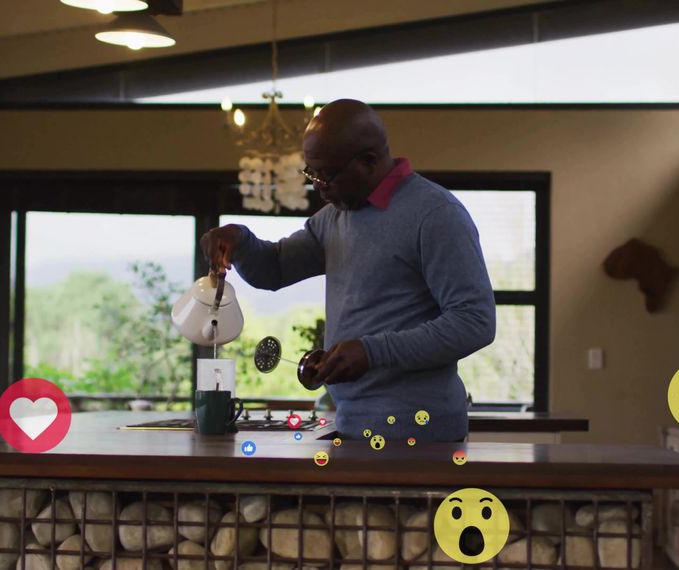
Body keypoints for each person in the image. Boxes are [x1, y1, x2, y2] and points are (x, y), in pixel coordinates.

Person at [200, 99, 495, 442]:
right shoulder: (334, 218)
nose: (318, 188)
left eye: (326, 175)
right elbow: (275, 268)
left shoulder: (435, 215)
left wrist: (372, 351)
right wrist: (240, 240)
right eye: (310, 174)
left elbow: (474, 321)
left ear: (369, 161)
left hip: (420, 430)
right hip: (354, 424)